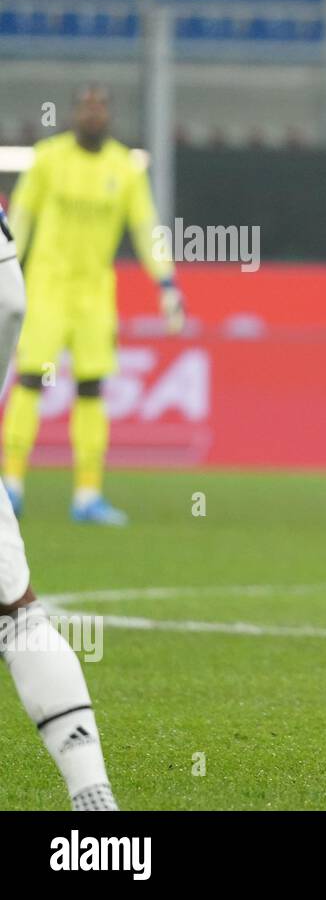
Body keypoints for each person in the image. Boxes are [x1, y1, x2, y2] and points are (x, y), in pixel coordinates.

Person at [1, 83, 184, 525]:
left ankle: (87, 494)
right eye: (86, 107)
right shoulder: (48, 159)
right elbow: (19, 219)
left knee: (91, 389)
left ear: (110, 115)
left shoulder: (125, 167)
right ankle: (12, 485)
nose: (93, 114)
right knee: (30, 381)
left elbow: (145, 228)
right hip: (46, 288)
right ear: (74, 113)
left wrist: (166, 282)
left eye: (101, 107)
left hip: (95, 294)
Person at [0, 204, 118, 809]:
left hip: (87, 304)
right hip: (38, 301)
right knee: (17, 616)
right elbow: (10, 301)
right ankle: (91, 794)